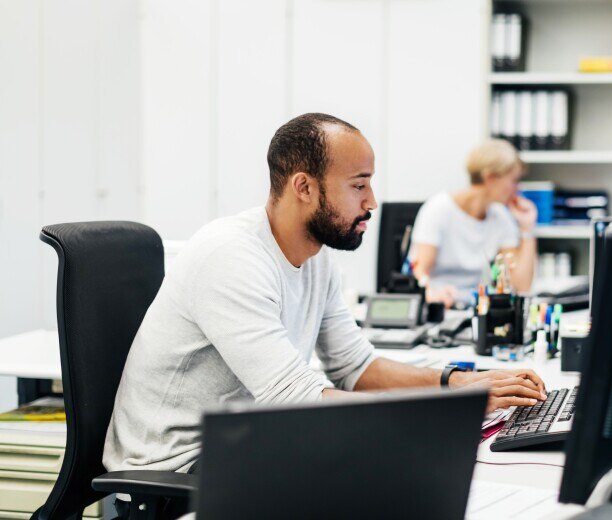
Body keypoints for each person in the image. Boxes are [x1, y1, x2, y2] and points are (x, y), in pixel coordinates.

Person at [103, 114, 546, 480]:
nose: (372, 201)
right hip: (178, 468)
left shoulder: (316, 257)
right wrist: (446, 411)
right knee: (402, 473)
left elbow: (355, 366)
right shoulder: (230, 257)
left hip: (246, 440)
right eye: (359, 185)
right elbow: (294, 397)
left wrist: (456, 382)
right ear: (305, 187)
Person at [410, 139, 537, 308]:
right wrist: (432, 294)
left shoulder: (501, 217)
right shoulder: (438, 210)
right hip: (439, 306)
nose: (517, 189)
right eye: (513, 181)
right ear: (490, 178)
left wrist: (527, 229)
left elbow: (520, 286)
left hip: (476, 308)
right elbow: (419, 273)